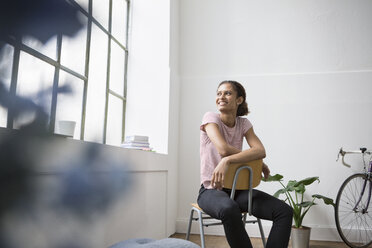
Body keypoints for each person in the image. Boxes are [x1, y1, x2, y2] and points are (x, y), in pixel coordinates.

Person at [197, 80, 293, 248]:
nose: (221, 97)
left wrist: (228, 160)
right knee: (229, 208)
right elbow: (223, 149)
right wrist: (249, 157)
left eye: (227, 93)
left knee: (284, 211)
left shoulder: (243, 124)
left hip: (238, 191)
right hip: (210, 191)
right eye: (219, 93)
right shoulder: (210, 118)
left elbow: (260, 151)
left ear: (239, 100)